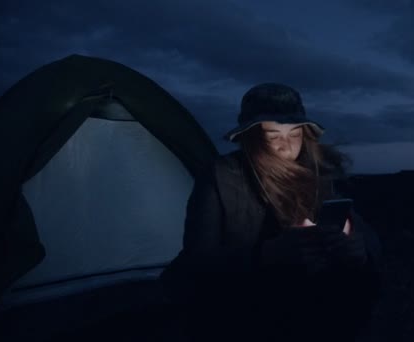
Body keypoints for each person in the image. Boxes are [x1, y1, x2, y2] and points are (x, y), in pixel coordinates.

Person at [160, 83, 382, 342]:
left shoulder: (322, 175)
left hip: (317, 316)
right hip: (247, 320)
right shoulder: (222, 176)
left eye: (294, 134)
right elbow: (196, 264)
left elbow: (369, 240)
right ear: (252, 136)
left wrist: (359, 250)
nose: (285, 146)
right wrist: (266, 254)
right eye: (274, 136)